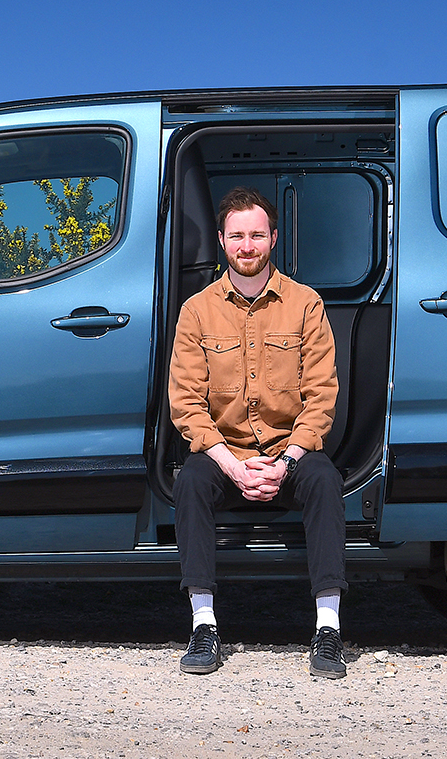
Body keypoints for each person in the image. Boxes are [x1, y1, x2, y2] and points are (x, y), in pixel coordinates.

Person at [167, 186, 347, 678]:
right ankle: (203, 624)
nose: (247, 246)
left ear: (272, 239)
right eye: (237, 236)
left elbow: (321, 396)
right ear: (223, 242)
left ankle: (328, 628)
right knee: (190, 482)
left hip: (288, 452)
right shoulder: (196, 310)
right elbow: (186, 401)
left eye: (257, 235)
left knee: (325, 481)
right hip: (225, 454)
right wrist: (231, 464)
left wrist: (285, 461)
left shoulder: (306, 304)